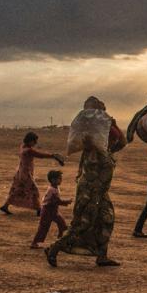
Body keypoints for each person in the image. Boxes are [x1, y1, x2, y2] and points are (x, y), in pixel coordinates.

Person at [46, 96, 126, 267]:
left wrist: (114, 124)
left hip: (101, 190)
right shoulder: (90, 144)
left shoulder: (104, 135)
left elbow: (122, 143)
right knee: (83, 223)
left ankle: (102, 256)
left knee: (106, 219)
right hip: (89, 189)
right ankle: (54, 248)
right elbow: (100, 158)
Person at [0, 132, 64, 215]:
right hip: (25, 174)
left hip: (20, 172)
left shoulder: (23, 146)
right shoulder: (28, 150)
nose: (35, 143)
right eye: (34, 141)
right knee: (34, 190)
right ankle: (39, 209)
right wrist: (53, 156)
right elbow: (40, 155)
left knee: (16, 190)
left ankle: (5, 206)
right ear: (30, 140)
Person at [31, 170, 71, 249]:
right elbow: (55, 201)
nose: (60, 180)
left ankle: (60, 240)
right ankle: (34, 243)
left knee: (62, 224)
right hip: (47, 211)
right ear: (53, 180)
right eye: (59, 179)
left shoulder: (55, 188)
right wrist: (66, 202)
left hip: (53, 211)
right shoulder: (52, 190)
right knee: (43, 228)